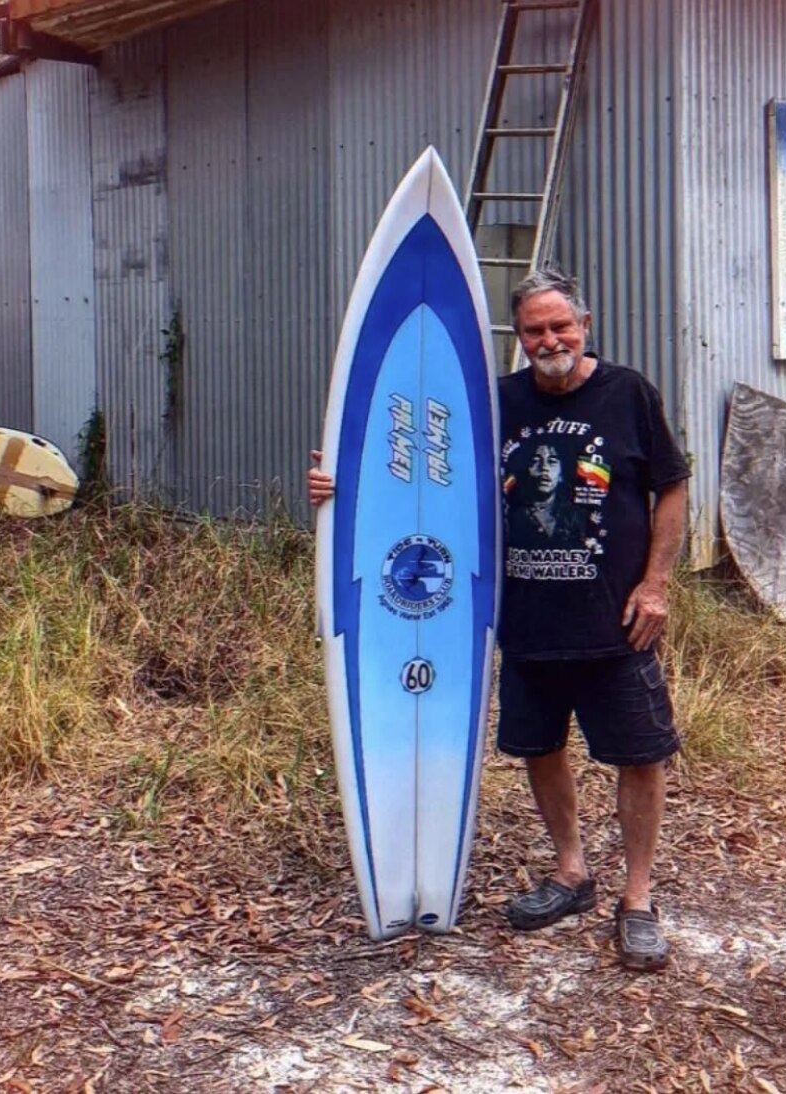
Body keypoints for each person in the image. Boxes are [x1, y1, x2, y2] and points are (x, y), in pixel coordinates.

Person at [309, 268, 689, 971]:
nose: (549, 340)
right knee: (540, 748)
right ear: (520, 337)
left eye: (560, 326)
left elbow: (672, 486)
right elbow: (422, 475)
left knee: (640, 755)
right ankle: (571, 872)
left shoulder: (629, 393)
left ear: (585, 326)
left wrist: (657, 584)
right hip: (524, 621)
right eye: (534, 330)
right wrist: (342, 481)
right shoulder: (495, 403)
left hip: (615, 621)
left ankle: (638, 900)